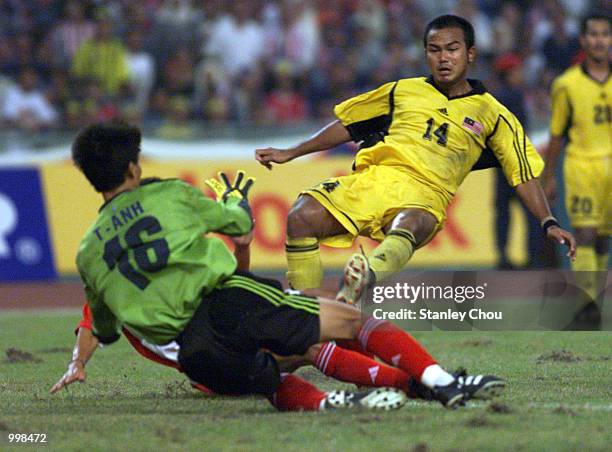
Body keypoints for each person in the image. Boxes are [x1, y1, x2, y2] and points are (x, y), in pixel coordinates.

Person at [65, 120, 505, 410]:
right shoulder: (166, 196)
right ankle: (434, 383)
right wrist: (235, 205)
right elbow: (237, 227)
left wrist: (78, 364)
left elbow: (99, 326)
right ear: (133, 167)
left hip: (196, 358)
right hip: (225, 305)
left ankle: (337, 403)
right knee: (339, 322)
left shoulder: (90, 253)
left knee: (275, 374)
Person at [255, 15, 576, 294]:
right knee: (300, 217)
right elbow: (349, 125)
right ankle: (306, 312)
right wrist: (292, 152)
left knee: (409, 223)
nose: (443, 58)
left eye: (452, 49)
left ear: (470, 54)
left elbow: (522, 173)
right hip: (374, 180)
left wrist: (548, 221)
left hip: (426, 196)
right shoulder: (402, 90)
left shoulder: (494, 114)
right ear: (426, 54)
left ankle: (362, 281)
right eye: (435, 50)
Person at [543, 14, 611, 329]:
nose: (599, 40)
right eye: (593, 35)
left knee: (602, 239)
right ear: (583, 41)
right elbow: (557, 133)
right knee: (584, 233)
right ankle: (587, 307)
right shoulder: (566, 84)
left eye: (604, 35)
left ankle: (592, 304)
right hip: (582, 165)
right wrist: (549, 176)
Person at [491, 53, 544, 269]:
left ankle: (503, 256)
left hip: (500, 162)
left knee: (503, 212)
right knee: (531, 211)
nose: (521, 74)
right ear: (509, 74)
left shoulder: (495, 97)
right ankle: (532, 256)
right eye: (517, 71)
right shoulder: (514, 97)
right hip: (517, 164)